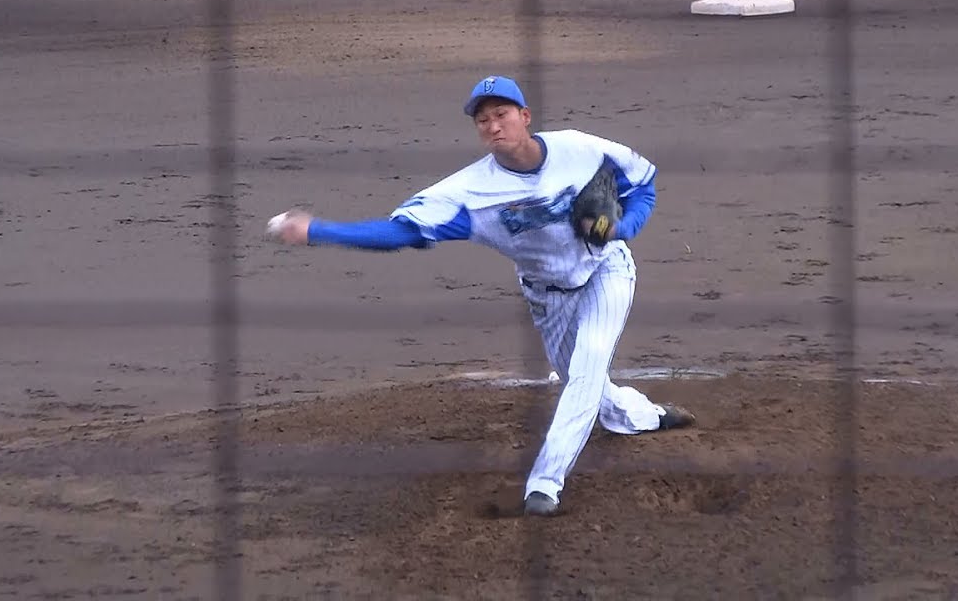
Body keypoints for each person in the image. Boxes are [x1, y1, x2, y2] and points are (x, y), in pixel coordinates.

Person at [266, 75, 695, 517]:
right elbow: (400, 233)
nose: (493, 126)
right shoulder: (469, 194)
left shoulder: (581, 150)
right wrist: (319, 230)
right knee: (580, 381)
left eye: (502, 115)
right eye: (483, 120)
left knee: (588, 366)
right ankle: (642, 416)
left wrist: (621, 229)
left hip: (607, 272)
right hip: (547, 296)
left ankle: (544, 486)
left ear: (525, 116)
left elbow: (643, 184)